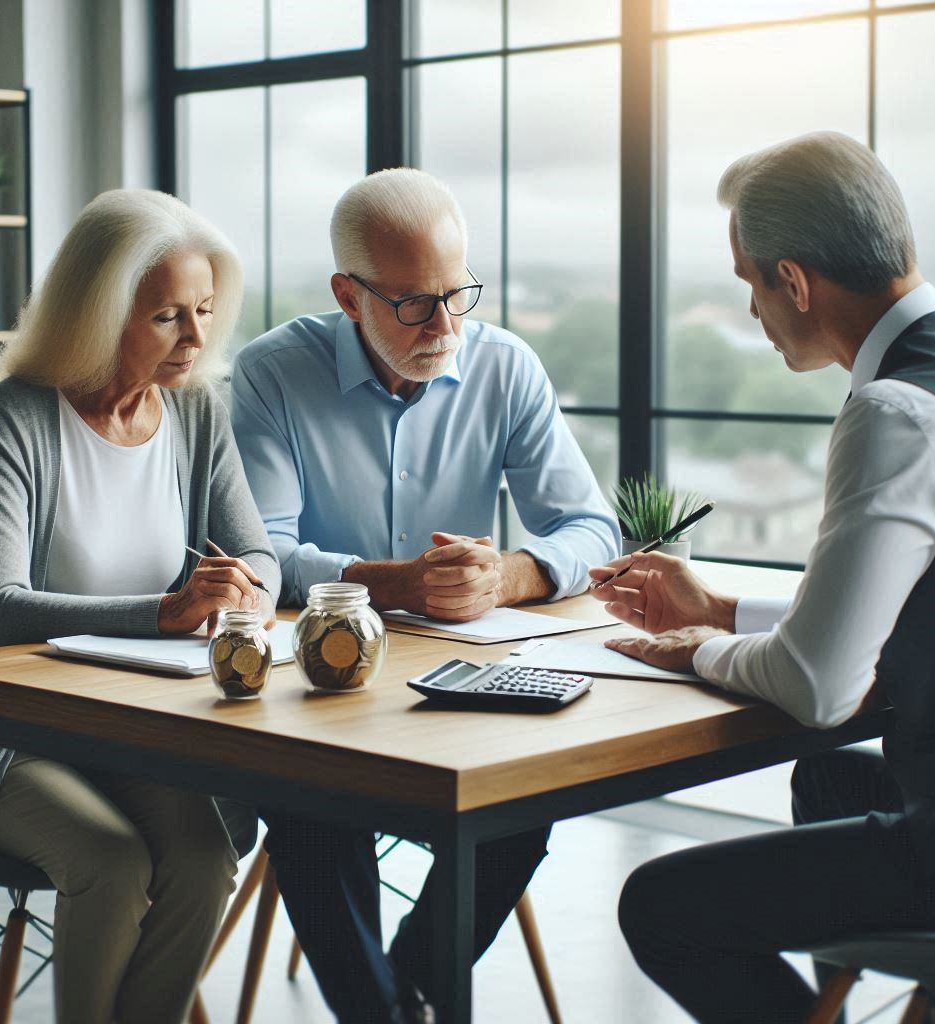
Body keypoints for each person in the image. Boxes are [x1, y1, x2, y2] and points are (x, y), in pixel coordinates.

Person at [589, 131, 935, 1023]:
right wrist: (725, 604)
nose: (754, 314)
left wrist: (703, 649)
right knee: (831, 781)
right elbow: (922, 605)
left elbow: (816, 685)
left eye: (749, 286)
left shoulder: (897, 411)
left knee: (661, 909)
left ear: (795, 282)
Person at [230, 167, 620, 1023]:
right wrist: (386, 581)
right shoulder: (270, 374)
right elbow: (264, 553)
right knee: (313, 808)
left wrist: (508, 575)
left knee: (525, 798)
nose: (443, 325)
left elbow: (595, 529)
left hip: (459, 682)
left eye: (455, 294)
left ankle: (407, 984)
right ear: (348, 294)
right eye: (412, 303)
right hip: (317, 688)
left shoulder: (506, 365)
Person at [0, 189, 281, 1024]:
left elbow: (260, 555)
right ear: (101, 311)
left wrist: (244, 589)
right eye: (168, 315)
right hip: (9, 733)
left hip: (137, 726)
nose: (197, 336)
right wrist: (166, 613)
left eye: (206, 309)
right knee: (110, 861)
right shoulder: (17, 413)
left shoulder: (195, 410)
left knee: (203, 856)